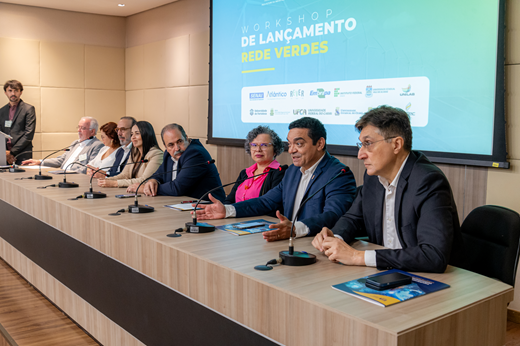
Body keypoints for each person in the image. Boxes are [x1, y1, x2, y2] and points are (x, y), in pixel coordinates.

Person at [311, 105, 463, 273]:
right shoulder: (373, 178)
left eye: (368, 144)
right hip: (387, 272)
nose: (360, 154)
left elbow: (433, 256)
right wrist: (334, 239)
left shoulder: (428, 181)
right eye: (361, 145)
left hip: (429, 278)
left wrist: (357, 257)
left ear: (396, 144)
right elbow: (353, 218)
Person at [195, 117, 357, 242]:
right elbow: (266, 201)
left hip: (313, 244)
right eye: (289, 143)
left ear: (320, 143)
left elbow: (334, 215)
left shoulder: (339, 173)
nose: (292, 150)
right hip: (286, 241)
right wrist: (228, 210)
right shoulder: (293, 170)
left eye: (299, 144)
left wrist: (295, 228)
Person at [136, 123, 225, 201]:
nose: (177, 148)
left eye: (180, 141)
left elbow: (178, 188)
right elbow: (158, 174)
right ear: (165, 146)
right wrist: (153, 181)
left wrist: (145, 188)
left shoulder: (195, 154)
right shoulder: (168, 153)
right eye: (171, 145)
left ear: (186, 138)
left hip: (208, 206)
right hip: (181, 205)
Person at [224, 126, 288, 210]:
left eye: (264, 145)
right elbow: (229, 201)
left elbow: (270, 206)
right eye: (254, 145)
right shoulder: (245, 173)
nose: (258, 149)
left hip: (260, 221)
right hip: (236, 219)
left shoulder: (279, 173)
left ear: (275, 149)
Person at [21, 117, 103, 174]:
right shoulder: (75, 143)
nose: (79, 130)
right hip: (62, 174)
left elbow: (89, 168)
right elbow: (61, 159)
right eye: (78, 127)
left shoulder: (97, 146)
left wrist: (68, 171)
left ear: (92, 132)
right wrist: (39, 162)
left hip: (76, 177)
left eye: (83, 128)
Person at [97, 121, 163, 189]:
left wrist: (114, 183)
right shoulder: (134, 152)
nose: (133, 137)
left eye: (137, 134)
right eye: (132, 134)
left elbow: (145, 181)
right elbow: (125, 175)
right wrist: (108, 180)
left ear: (146, 135)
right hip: (133, 191)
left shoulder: (157, 154)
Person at [0, 80, 36, 165]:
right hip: (5, 156)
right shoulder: (1, 111)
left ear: (21, 92)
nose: (13, 93)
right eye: (10, 91)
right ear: (5, 92)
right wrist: (5, 153)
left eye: (16, 90)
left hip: (22, 155)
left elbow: (28, 135)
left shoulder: (28, 109)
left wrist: (11, 152)